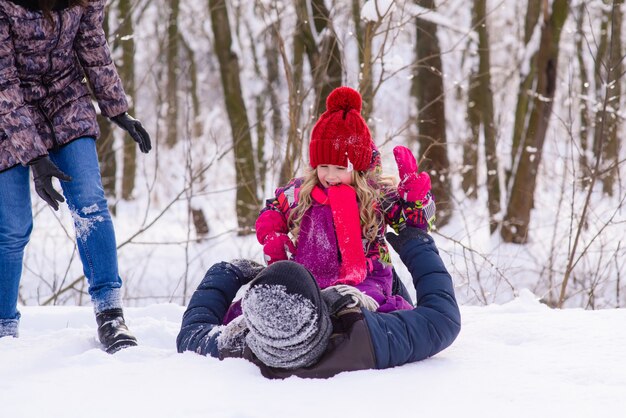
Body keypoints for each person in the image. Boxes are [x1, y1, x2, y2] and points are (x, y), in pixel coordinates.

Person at [0, 0, 151, 353]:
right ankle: (3, 328)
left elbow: (92, 46)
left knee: (90, 203)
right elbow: (2, 82)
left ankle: (110, 315)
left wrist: (118, 110)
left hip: (65, 100)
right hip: (8, 110)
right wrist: (35, 156)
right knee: (12, 228)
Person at [176, 226, 461, 379]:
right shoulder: (361, 337)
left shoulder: (243, 346)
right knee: (388, 281)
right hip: (375, 332)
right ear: (319, 305)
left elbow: (192, 333)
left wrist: (227, 274)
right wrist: (417, 245)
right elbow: (442, 319)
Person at [249, 86, 435, 318]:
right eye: (323, 166)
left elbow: (411, 225)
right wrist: (273, 235)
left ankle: (361, 326)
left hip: (368, 276)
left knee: (358, 305)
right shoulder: (301, 191)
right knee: (280, 304)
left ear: (357, 168)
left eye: (340, 168)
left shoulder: (374, 193)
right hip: (309, 276)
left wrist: (415, 199)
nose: (330, 175)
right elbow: (274, 206)